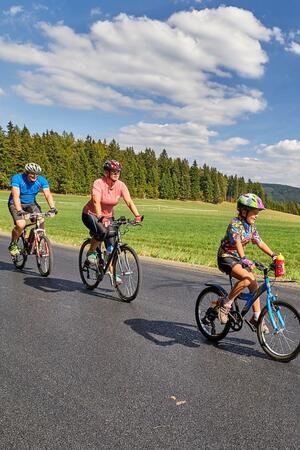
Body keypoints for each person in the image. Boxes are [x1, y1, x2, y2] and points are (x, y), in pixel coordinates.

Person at [217, 193, 278, 333]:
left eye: (258, 213)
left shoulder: (251, 227)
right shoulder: (235, 224)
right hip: (226, 257)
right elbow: (237, 241)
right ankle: (226, 304)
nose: (257, 216)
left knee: (254, 284)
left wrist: (273, 255)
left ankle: (256, 318)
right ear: (244, 211)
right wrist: (244, 258)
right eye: (255, 212)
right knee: (247, 278)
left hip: (237, 258)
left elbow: (260, 243)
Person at [81, 159, 143, 278]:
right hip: (91, 214)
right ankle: (91, 252)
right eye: (113, 171)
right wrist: (99, 216)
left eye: (118, 172)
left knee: (111, 246)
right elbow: (96, 200)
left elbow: (129, 201)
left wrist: (137, 215)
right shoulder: (99, 183)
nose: (116, 174)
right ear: (106, 172)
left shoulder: (121, 185)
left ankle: (112, 272)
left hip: (108, 217)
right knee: (102, 232)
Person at [8, 162, 57, 256]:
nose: (35, 176)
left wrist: (53, 208)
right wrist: (19, 210)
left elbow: (47, 194)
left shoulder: (42, 180)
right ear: (26, 172)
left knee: (41, 219)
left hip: (31, 204)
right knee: (21, 224)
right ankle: (13, 243)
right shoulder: (17, 178)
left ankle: (37, 245)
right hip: (15, 204)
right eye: (32, 174)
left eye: (37, 174)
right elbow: (16, 196)